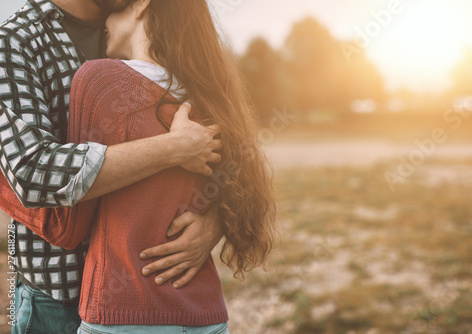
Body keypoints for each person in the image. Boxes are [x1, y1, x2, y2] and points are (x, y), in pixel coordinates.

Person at [7, 0, 277, 332]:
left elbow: (236, 155)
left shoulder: (129, 36)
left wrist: (216, 220)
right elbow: (31, 173)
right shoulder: (16, 39)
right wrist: (174, 148)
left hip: (127, 302)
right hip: (56, 295)